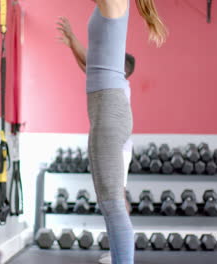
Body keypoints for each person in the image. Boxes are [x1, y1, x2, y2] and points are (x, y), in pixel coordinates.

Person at [57, 0, 167, 263]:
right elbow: (93, 66)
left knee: (113, 203)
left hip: (108, 110)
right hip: (105, 109)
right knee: (109, 202)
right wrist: (73, 42)